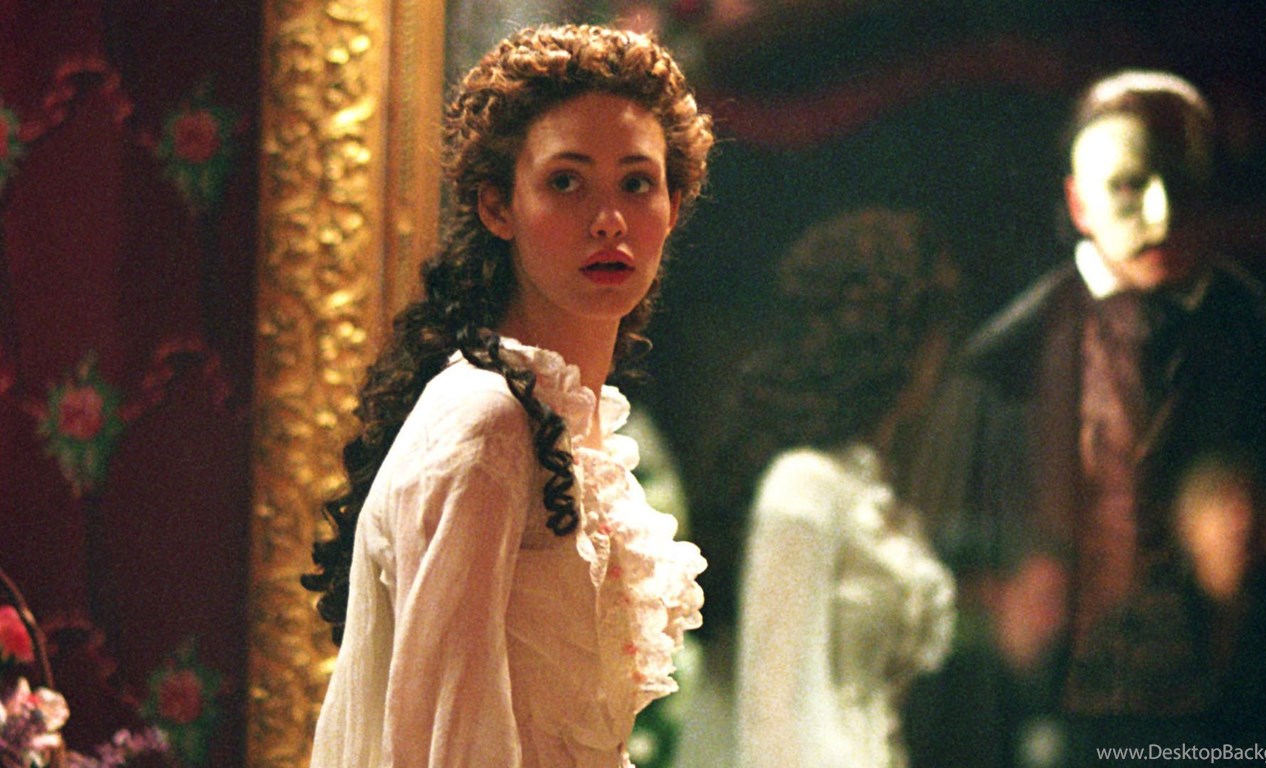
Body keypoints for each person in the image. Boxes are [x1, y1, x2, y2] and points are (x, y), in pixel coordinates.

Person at [901, 70, 1266, 767]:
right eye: (1128, 185)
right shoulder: (1002, 367)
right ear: (1079, 202)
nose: (1163, 213)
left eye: (1184, 183)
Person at [299, 24, 713, 767]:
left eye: (636, 183)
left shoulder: (561, 421)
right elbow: (448, 745)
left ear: (673, 206)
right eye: (566, 182)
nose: (609, 220)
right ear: (498, 207)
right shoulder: (486, 420)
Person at [726, 208, 960, 768]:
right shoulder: (804, 487)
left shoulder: (869, 490)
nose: (940, 354)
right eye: (930, 329)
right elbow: (773, 720)